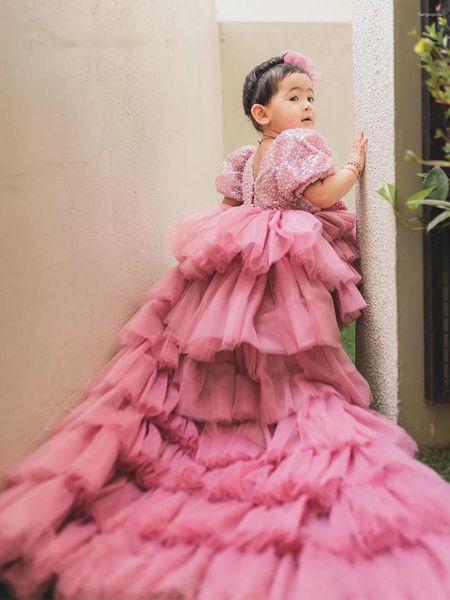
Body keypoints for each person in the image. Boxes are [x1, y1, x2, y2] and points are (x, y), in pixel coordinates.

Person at [1, 50, 450, 600]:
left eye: (311, 97)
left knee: (236, 339)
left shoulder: (248, 155)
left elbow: (229, 200)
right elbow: (319, 196)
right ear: (263, 113)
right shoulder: (298, 146)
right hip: (283, 256)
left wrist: (251, 220)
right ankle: (273, 406)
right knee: (284, 340)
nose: (308, 106)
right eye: (294, 97)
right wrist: (354, 168)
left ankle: (235, 405)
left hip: (244, 249)